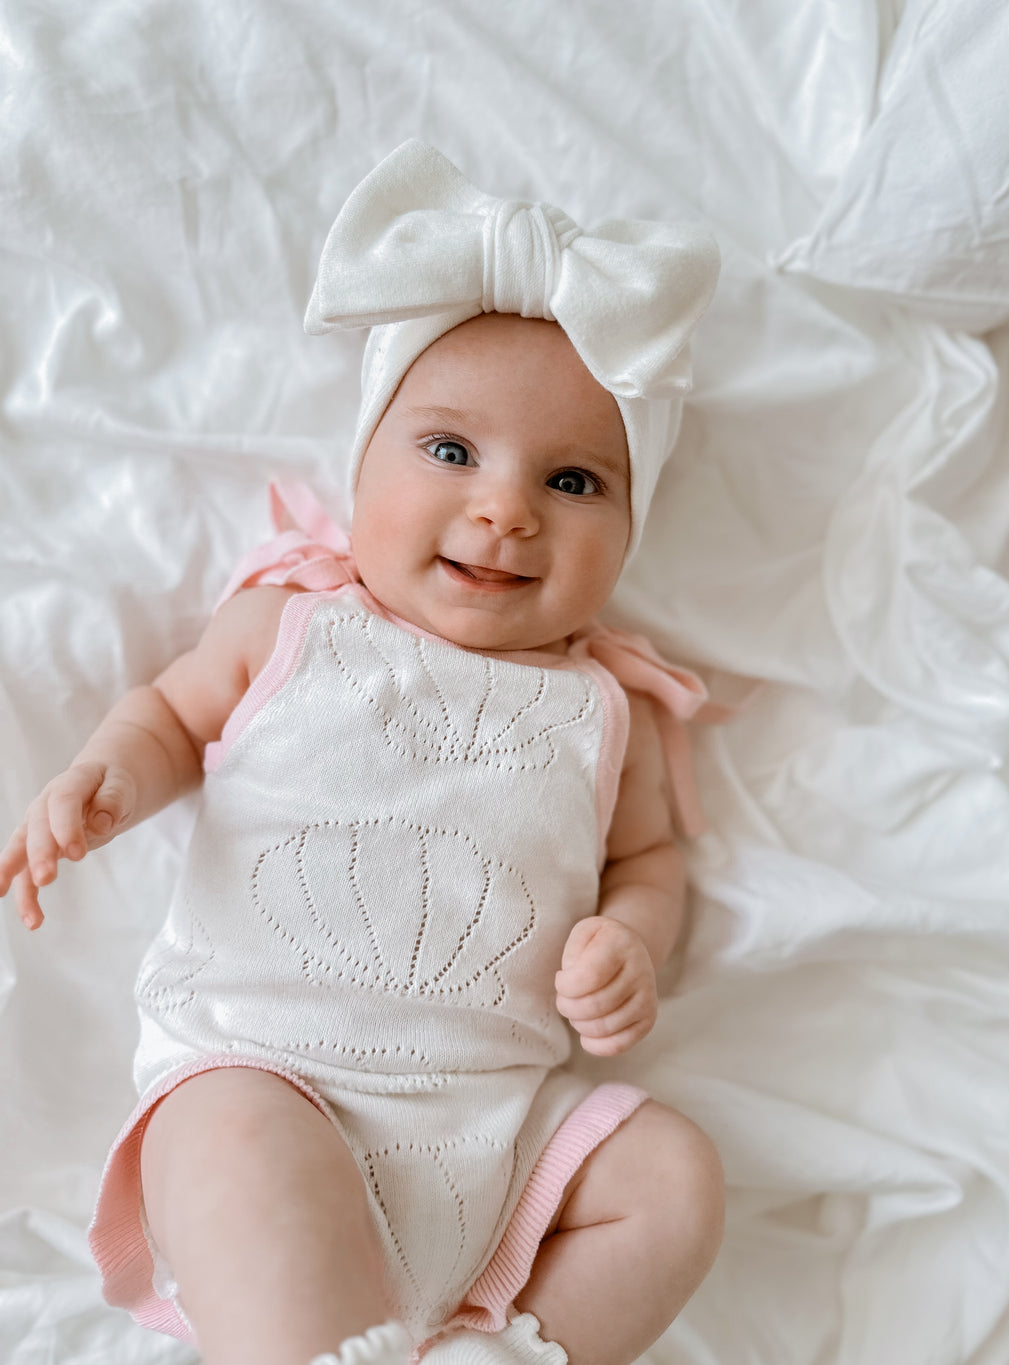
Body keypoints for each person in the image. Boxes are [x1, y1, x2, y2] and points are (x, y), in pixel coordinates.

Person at [0, 142, 725, 1365]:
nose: (505, 509)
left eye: (573, 479)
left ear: (632, 523)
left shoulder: (607, 710)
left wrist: (631, 938)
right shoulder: (295, 622)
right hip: (265, 1073)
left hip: (496, 1129)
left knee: (672, 1177)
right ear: (362, 462)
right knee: (232, 1146)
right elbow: (171, 720)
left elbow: (649, 860)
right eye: (450, 452)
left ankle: (496, 1351)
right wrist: (108, 781)